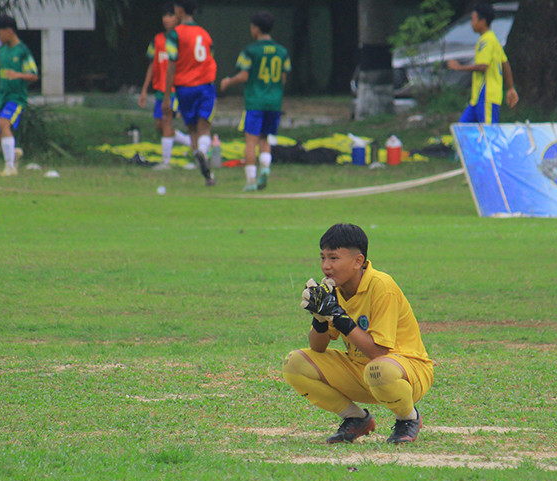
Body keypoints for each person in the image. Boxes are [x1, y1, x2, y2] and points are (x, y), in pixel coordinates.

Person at [283, 224, 434, 445]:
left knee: (379, 369)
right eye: (323, 257)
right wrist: (320, 318)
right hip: (363, 371)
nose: (326, 266)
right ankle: (355, 418)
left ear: (357, 261)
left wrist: (339, 317)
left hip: (407, 372)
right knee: (294, 363)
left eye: (334, 258)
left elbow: (378, 352)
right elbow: (318, 347)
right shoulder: (336, 289)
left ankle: (408, 418)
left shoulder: (382, 286)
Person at [220, 11, 291, 192]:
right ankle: (265, 168)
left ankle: (251, 181)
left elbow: (244, 75)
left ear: (256, 28)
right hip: (274, 102)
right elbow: (283, 78)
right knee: (265, 139)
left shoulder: (250, 50)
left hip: (255, 102)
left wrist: (228, 81)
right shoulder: (282, 51)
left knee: (251, 141)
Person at [163, 0, 218, 186]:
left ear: (179, 9)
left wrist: (166, 96)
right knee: (205, 128)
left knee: (192, 129)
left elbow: (171, 65)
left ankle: (207, 176)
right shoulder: (205, 33)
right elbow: (210, 57)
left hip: (184, 88)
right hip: (205, 86)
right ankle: (204, 153)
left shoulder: (174, 35)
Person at [0, 15, 38, 176]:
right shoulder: (3, 51)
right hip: (1, 97)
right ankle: (12, 152)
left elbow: (33, 75)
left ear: (9, 31)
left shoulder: (22, 51)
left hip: (16, 97)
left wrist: (19, 75)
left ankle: (10, 166)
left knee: (3, 123)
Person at [139, 2, 192, 171]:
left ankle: (166, 162)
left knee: (167, 121)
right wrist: (144, 89)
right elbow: (152, 65)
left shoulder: (181, 38)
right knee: (159, 125)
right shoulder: (158, 39)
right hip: (160, 89)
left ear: (178, 17)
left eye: (171, 15)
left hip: (175, 89)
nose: (167, 19)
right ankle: (190, 142)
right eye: (165, 16)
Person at [446, 3, 518, 124]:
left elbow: (483, 67)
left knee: (488, 134)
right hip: (477, 99)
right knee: (463, 130)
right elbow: (505, 63)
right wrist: (510, 88)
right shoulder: (492, 39)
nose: (471, 23)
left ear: (482, 21)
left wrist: (458, 67)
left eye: (473, 19)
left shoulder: (487, 41)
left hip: (487, 97)